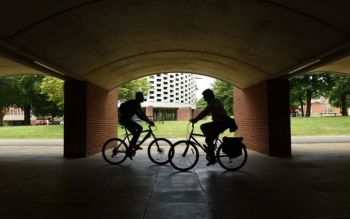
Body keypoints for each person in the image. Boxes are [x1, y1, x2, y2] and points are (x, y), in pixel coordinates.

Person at [190, 89, 232, 166]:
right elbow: (205, 112)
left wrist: (195, 119)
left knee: (204, 127)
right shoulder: (214, 102)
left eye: (205, 97)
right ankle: (211, 147)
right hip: (218, 123)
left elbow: (205, 112)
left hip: (221, 123)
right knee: (208, 139)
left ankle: (212, 157)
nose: (204, 99)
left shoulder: (214, 103)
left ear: (209, 96)